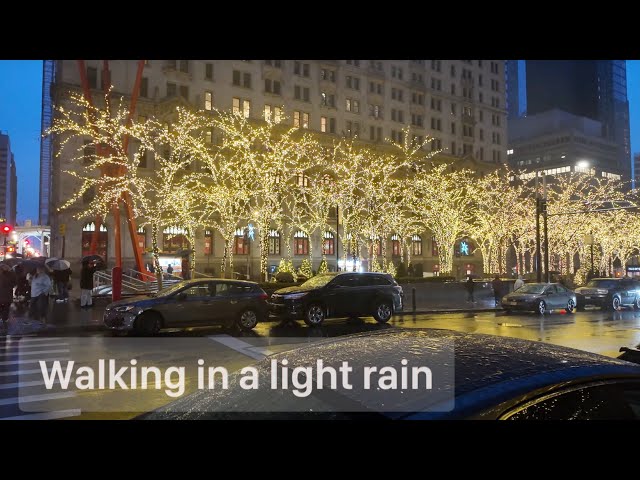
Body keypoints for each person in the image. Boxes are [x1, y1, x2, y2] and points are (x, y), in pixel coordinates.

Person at [0, 264, 17, 329]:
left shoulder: (9, 275)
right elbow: (15, 283)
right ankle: (4, 321)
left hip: (5, 296)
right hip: (7, 297)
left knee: (4, 309)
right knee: (5, 309)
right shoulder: (12, 275)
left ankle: (3, 321)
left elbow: (14, 283)